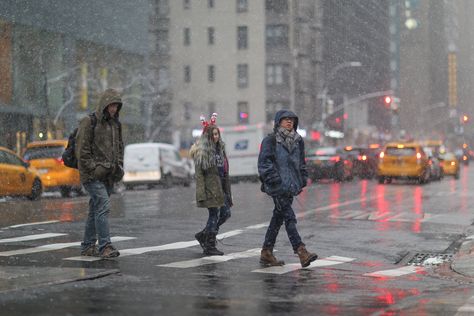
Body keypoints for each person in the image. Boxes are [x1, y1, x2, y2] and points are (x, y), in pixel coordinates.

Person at [258, 109, 318, 267]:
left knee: (278, 218)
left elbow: (301, 162)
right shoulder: (270, 140)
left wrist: (303, 179)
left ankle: (266, 251)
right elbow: (264, 164)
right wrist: (274, 180)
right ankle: (301, 250)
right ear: (278, 122)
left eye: (292, 119)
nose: (289, 121)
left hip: (291, 186)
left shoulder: (298, 141)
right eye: (285, 119)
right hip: (277, 187)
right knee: (289, 217)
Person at [76, 88, 124, 258]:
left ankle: (88, 246)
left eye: (116, 106)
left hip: (109, 175)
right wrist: (93, 169)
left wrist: (119, 167)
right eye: (111, 105)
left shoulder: (115, 124)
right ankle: (105, 246)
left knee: (95, 209)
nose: (114, 109)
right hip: (92, 176)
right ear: (104, 104)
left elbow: (119, 147)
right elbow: (82, 151)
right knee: (103, 206)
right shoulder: (89, 122)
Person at [190, 115, 233, 256]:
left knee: (226, 213)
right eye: (213, 134)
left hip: (221, 187)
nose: (216, 136)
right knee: (214, 215)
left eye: (217, 134)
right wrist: (201, 193)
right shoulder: (202, 152)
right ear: (207, 136)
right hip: (210, 188)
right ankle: (209, 245)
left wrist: (228, 193)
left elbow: (225, 172)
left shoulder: (220, 149)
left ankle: (204, 235)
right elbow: (199, 175)